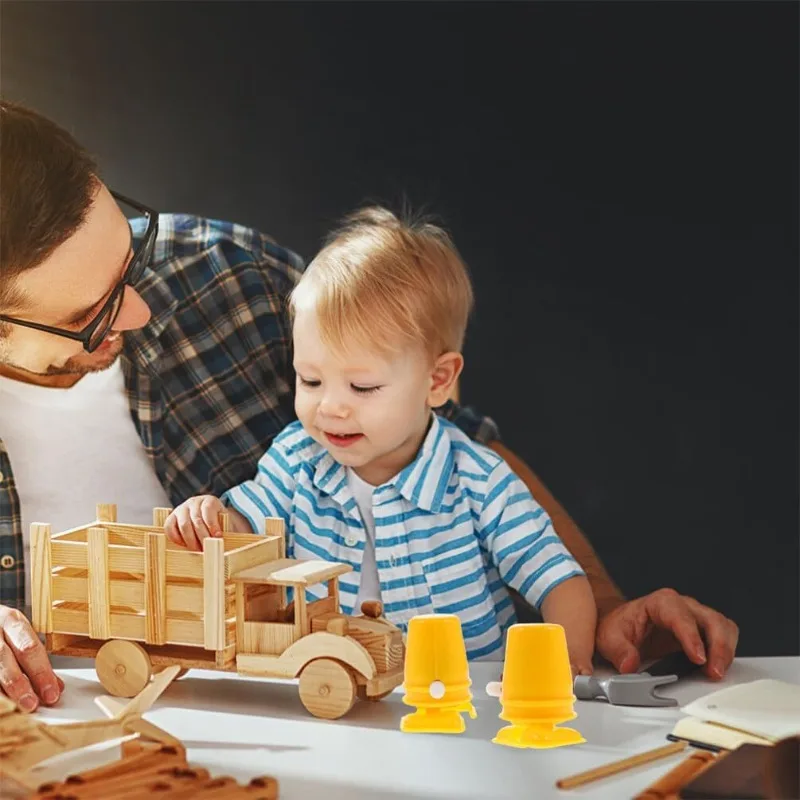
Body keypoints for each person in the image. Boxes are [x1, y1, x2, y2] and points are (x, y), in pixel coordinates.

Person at [0, 99, 739, 713]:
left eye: (132, 256)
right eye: (89, 316)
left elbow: (457, 443)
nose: (137, 312)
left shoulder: (227, 279)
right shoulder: (298, 460)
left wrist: (600, 614)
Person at [165, 207, 598, 668]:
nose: (330, 406)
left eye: (363, 387)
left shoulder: (479, 480)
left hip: (461, 709)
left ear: (437, 381)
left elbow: (560, 582)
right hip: (335, 694)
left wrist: (565, 669)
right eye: (310, 381)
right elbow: (247, 528)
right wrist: (211, 518)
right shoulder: (296, 459)